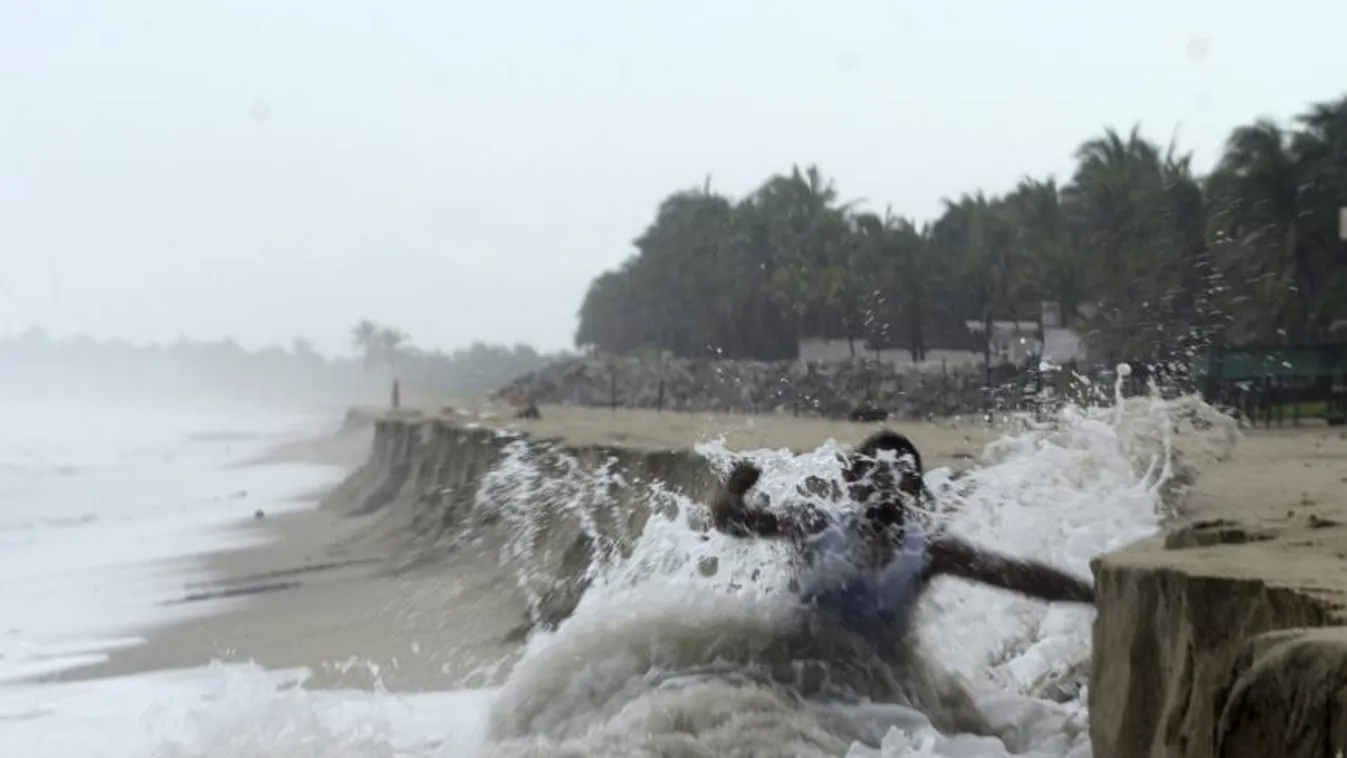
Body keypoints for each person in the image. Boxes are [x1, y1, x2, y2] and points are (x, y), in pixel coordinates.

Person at [709, 429, 1094, 645]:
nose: (884, 490)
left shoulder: (927, 553)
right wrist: (732, 493)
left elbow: (1017, 575)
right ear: (851, 483)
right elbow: (730, 523)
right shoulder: (814, 525)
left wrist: (1095, 595)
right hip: (797, 671)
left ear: (915, 494)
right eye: (873, 478)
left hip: (874, 686)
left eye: (898, 482)